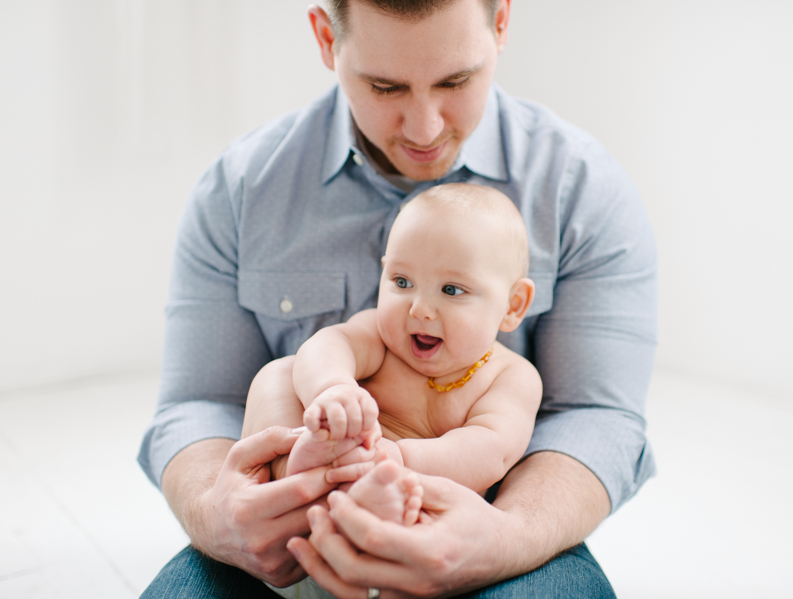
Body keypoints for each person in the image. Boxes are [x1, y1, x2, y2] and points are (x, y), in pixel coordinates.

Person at [138, 0, 658, 597]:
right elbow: (197, 401)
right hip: (296, 526)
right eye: (385, 86)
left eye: (455, 81)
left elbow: (599, 415)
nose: (424, 128)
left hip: (485, 517)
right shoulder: (239, 190)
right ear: (326, 39)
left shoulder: (584, 189)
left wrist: (507, 535)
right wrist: (217, 512)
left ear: (502, 23)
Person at [245, 183, 542, 598]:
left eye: (451, 290)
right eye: (402, 282)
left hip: (416, 541)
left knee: (420, 499)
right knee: (279, 374)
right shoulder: (381, 338)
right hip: (303, 525)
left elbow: (491, 450)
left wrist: (400, 459)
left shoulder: (509, 377)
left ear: (513, 305)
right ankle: (296, 471)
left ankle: (371, 502)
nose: (419, 308)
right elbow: (328, 344)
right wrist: (333, 389)